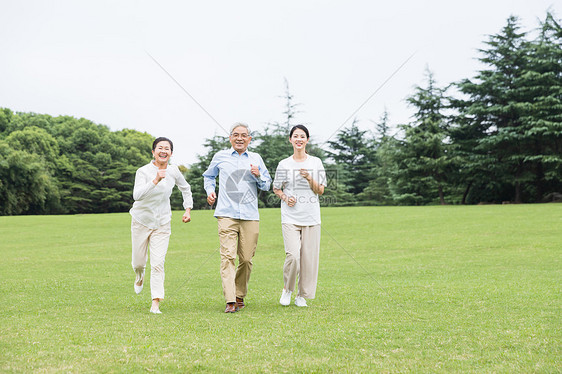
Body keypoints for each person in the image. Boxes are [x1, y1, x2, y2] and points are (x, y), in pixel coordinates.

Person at [203, 123, 272, 313]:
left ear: (249, 139)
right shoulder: (220, 157)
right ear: (230, 138)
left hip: (250, 215)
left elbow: (267, 185)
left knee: (247, 259)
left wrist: (258, 176)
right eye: (235, 135)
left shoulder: (256, 158)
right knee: (227, 257)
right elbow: (208, 177)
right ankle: (230, 300)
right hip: (226, 214)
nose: (239, 138)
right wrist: (210, 191)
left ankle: (240, 293)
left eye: (243, 135)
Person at [130, 137, 193, 314]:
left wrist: (187, 209)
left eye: (167, 148)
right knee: (138, 262)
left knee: (158, 263)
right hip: (141, 220)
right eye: (160, 148)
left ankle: (155, 302)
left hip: (162, 222)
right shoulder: (143, 171)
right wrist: (155, 180)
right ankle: (139, 275)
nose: (163, 151)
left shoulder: (174, 171)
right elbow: (137, 195)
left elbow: (185, 188)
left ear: (171, 153)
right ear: (153, 152)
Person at [272, 125, 326, 307]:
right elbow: (276, 188)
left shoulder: (315, 162)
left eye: (302, 136)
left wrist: (310, 178)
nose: (299, 139)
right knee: (293, 256)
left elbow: (320, 191)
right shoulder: (284, 164)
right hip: (290, 218)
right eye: (295, 136)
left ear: (307, 140)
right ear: (290, 140)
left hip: (311, 217)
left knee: (309, 258)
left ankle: (301, 295)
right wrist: (286, 198)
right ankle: (287, 289)